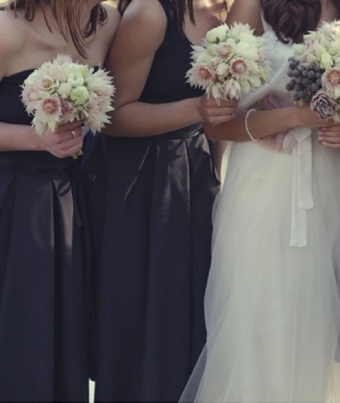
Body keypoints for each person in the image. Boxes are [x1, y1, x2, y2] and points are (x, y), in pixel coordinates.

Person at [179, 0, 340, 401]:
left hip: (329, 182)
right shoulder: (252, 6)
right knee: (259, 319)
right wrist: (293, 118)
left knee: (313, 324)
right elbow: (218, 125)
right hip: (262, 187)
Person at [84, 0, 236, 401]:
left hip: (195, 177)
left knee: (184, 319)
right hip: (141, 184)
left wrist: (218, 175)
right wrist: (195, 109)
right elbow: (111, 118)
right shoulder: (150, 13)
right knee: (141, 319)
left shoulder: (229, 14)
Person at [0, 0, 119, 400]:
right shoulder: (8, 30)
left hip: (75, 200)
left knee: (64, 333)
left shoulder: (106, 21)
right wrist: (37, 140)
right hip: (15, 204)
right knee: (23, 332)